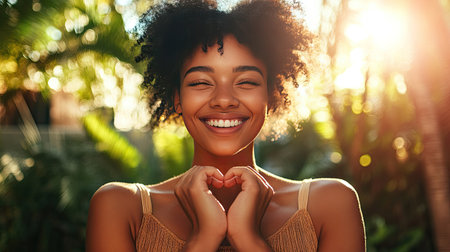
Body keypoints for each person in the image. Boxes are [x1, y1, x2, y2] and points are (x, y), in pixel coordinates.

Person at [86, 0, 366, 251]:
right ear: (177, 99)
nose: (223, 100)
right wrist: (204, 238)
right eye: (200, 83)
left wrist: (249, 239)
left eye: (245, 82)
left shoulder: (330, 205)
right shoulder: (121, 208)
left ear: (270, 95)